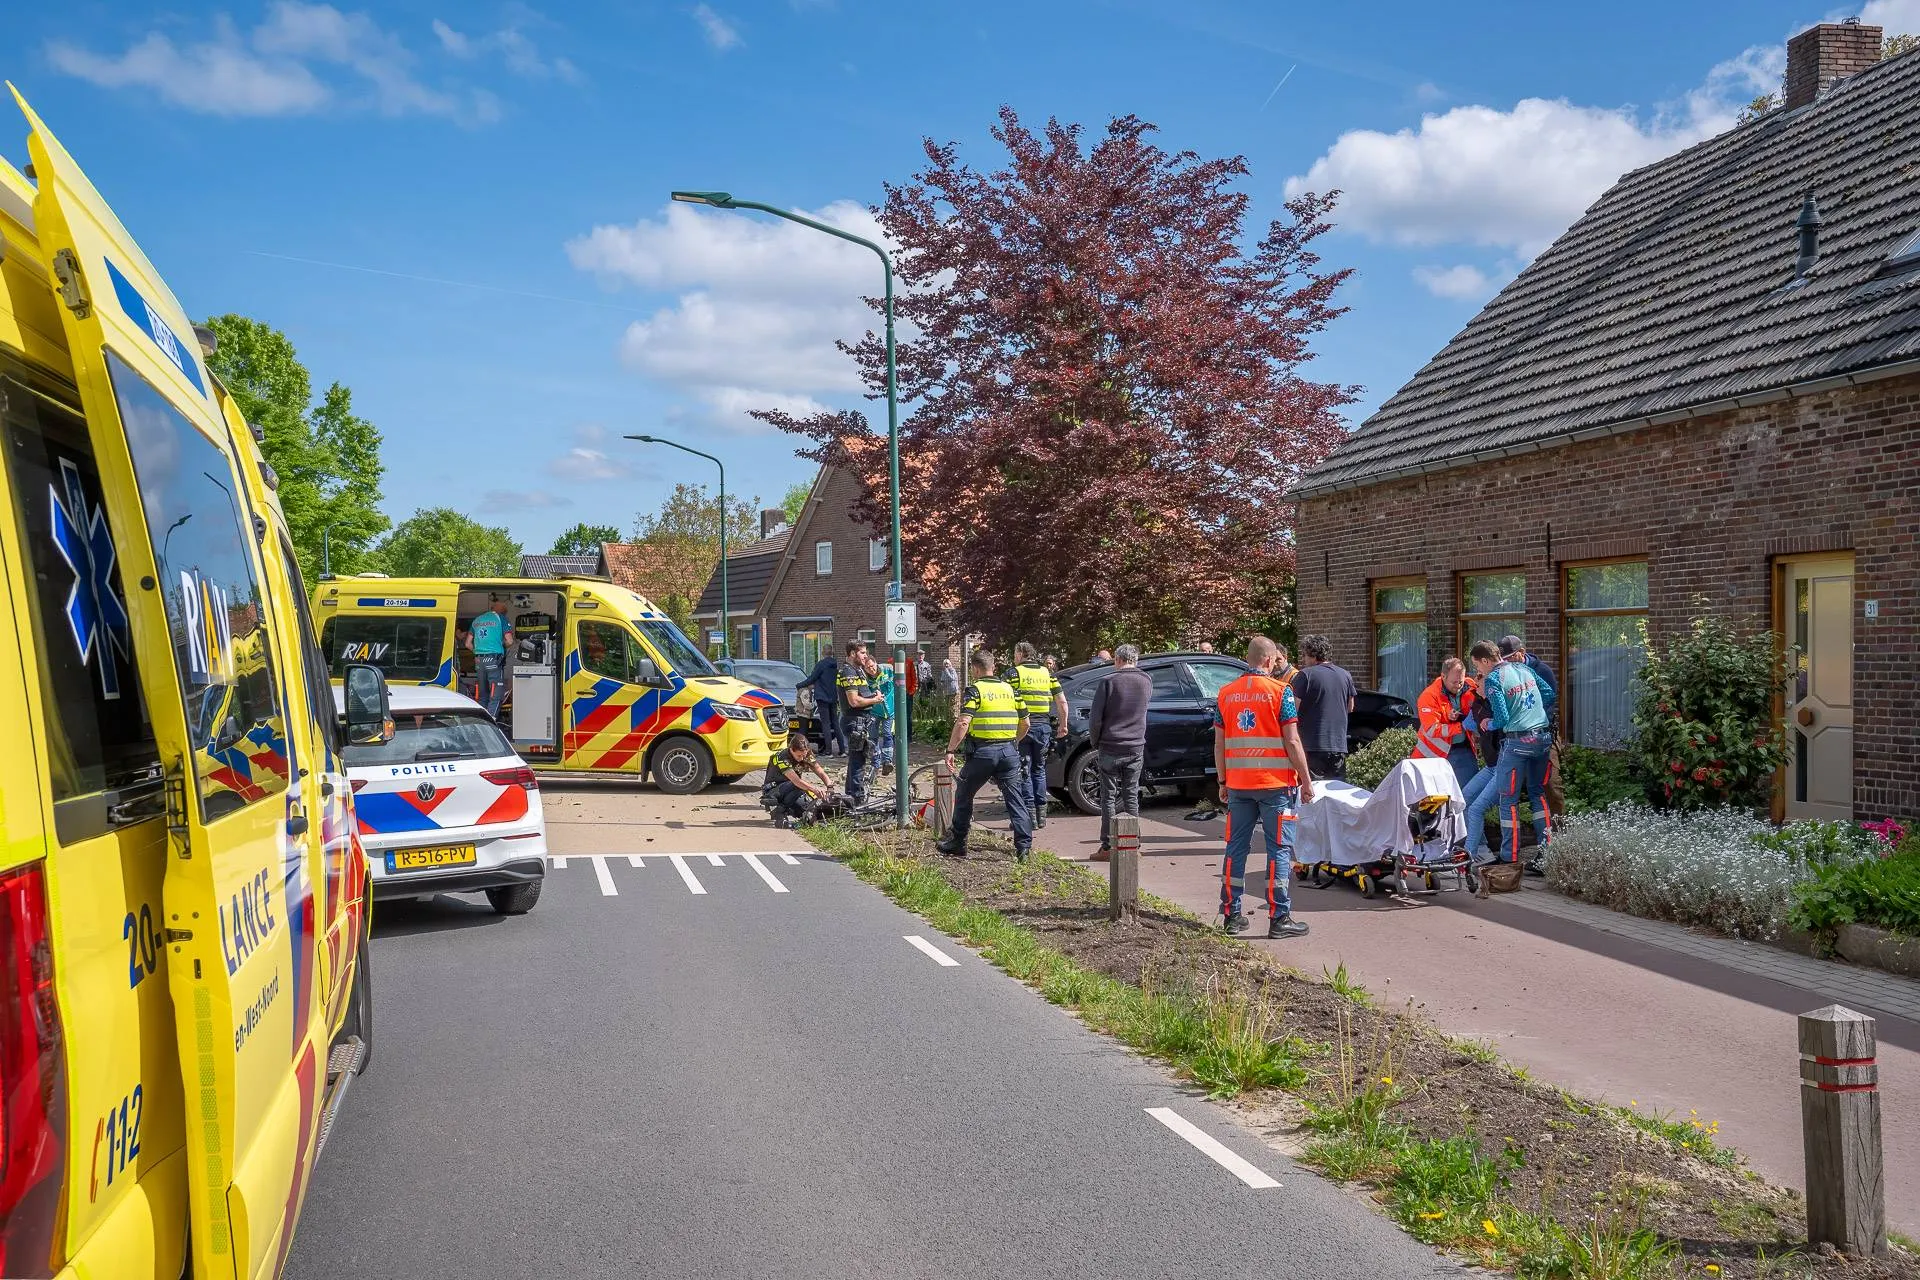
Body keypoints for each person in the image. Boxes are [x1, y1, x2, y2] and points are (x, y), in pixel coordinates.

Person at [1214, 636, 1314, 939]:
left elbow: (1219, 744)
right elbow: (1292, 741)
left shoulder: (1226, 694)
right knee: (1278, 850)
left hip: (1238, 786)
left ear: (1249, 659)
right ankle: (1279, 918)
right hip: (1276, 786)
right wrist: (1306, 779)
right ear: (1270, 660)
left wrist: (1222, 781)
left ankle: (1231, 916)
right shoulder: (1281, 692)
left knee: (1235, 848)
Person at [936, 649, 1032, 861]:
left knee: (964, 793)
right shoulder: (1011, 690)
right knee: (1015, 798)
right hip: (1008, 752)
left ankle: (958, 842)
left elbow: (963, 722)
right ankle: (1024, 848)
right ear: (993, 667)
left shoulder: (975, 691)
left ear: (975, 669)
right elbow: (1026, 723)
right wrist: (1014, 741)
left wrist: (950, 750)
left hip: (983, 753)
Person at [1464, 638, 1552, 865]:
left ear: (1486, 661)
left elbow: (1502, 719)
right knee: (1537, 794)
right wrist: (1530, 711)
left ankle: (1508, 858)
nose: (1478, 671)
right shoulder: (1523, 668)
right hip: (1542, 739)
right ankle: (1548, 853)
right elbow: (1549, 694)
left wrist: (1489, 723)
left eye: (1477, 665)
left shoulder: (1494, 679)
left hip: (1517, 743)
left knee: (1508, 800)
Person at [1087, 643, 1150, 863]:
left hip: (1110, 745)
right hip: (1136, 745)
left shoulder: (1108, 681)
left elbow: (1095, 718)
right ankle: (1132, 845)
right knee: (1131, 794)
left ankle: (1108, 845)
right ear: (1135, 660)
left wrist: (1095, 741)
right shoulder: (1146, 680)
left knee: (1108, 797)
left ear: (1118, 659)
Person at [1503, 634, 1564, 845]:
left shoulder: (1542, 671)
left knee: (1550, 785)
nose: (1508, 662)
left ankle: (1556, 839)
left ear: (1522, 652)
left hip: (1542, 734)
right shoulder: (1505, 673)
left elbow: (1548, 703)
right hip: (1517, 737)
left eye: (1511, 657)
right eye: (1504, 659)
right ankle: (1529, 842)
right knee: (1516, 789)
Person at [1009, 641, 1067, 830]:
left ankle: (1029, 816)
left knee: (1024, 769)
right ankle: (1042, 816)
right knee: (1039, 769)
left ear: (1021, 654)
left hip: (1023, 727)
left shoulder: (1014, 674)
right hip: (1043, 727)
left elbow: (1006, 699)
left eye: (1015, 654)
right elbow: (1062, 702)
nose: (1014, 658)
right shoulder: (1047, 674)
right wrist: (1063, 725)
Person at [1294, 634, 1356, 782]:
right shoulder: (1345, 675)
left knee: (1313, 791)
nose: (1304, 660)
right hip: (1338, 745)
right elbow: (1350, 707)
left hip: (1312, 745)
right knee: (1336, 790)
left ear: (1313, 655)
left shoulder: (1305, 675)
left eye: (1305, 655)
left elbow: (1292, 710)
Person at [1414, 657, 1481, 791]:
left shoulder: (1470, 686)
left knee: (1469, 792)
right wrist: (1461, 726)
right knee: (1439, 796)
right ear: (1443, 676)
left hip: (1463, 749)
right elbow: (1432, 730)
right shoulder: (1429, 696)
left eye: (1461, 681)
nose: (1458, 685)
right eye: (1454, 682)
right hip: (1433, 756)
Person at [837, 642, 885, 803]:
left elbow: (861, 695)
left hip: (860, 721)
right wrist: (875, 700)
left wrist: (873, 695)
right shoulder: (848, 672)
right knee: (858, 762)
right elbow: (854, 701)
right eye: (862, 653)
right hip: (854, 721)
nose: (865, 656)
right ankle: (857, 800)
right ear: (852, 653)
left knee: (856, 760)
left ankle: (850, 798)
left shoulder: (857, 670)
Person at [763, 731, 834, 827]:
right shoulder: (781, 757)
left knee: (808, 811)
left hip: (793, 790)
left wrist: (829, 787)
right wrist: (815, 789)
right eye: (799, 756)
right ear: (791, 750)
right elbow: (796, 781)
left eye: (804, 755)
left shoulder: (806, 755)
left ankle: (784, 809)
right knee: (800, 785)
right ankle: (779, 811)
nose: (802, 758)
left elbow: (820, 772)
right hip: (774, 791)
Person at [466, 594, 514, 719]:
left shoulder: (477, 620)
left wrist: (478, 652)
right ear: (501, 611)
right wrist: (500, 645)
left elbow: (467, 644)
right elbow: (510, 641)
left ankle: (481, 720)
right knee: (496, 694)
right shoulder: (501, 618)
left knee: (483, 695)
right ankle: (491, 721)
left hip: (479, 661)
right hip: (493, 660)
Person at [796, 648, 844, 757]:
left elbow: (812, 678)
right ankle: (842, 750)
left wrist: (799, 685)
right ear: (832, 653)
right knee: (835, 723)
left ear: (823, 653)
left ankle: (828, 751)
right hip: (833, 696)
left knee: (825, 723)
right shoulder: (835, 665)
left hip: (822, 697)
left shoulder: (821, 665)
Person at [866, 649, 897, 777]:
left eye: (872, 666)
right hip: (874, 711)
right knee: (873, 737)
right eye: (868, 668)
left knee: (887, 734)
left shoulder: (888, 669)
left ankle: (887, 762)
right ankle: (875, 763)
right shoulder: (865, 678)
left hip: (889, 710)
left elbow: (900, 680)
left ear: (876, 663)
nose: (871, 669)